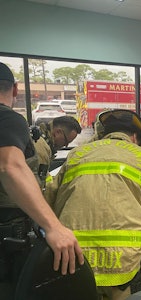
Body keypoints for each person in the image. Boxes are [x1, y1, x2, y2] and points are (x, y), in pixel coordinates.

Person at [45, 109, 141, 300]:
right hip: (126, 264)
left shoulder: (76, 154)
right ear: (134, 136)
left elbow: (48, 202)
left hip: (73, 259)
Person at [0, 62, 84, 294]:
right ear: (16, 90)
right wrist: (53, 226)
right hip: (8, 231)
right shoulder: (8, 119)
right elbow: (11, 166)